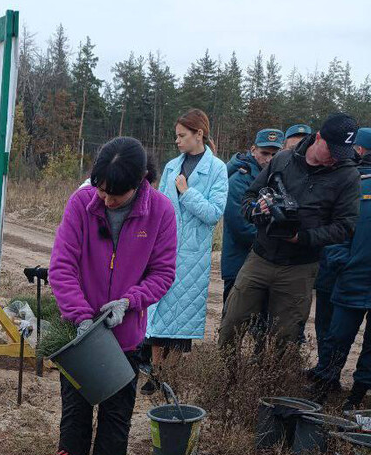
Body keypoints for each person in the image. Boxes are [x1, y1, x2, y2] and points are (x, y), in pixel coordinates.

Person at [50, 137, 177, 455]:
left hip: (125, 339)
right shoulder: (82, 203)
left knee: (115, 423)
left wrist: (130, 301)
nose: (105, 199)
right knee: (75, 419)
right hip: (80, 339)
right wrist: (80, 317)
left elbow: (162, 273)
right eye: (101, 189)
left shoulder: (161, 212)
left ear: (139, 182)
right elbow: (62, 266)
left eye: (115, 194)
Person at [219, 113, 361, 355]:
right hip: (260, 258)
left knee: (284, 339)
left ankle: (273, 389)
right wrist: (257, 210)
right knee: (231, 324)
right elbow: (249, 197)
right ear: (318, 138)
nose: (336, 158)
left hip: (300, 268)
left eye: (342, 152)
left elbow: (345, 227)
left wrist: (302, 237)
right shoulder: (283, 159)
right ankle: (225, 385)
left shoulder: (347, 176)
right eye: (333, 150)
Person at [144, 109, 228, 395]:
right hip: (164, 248)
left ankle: (170, 374)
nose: (177, 141)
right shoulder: (171, 166)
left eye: (182, 136)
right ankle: (154, 373)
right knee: (158, 308)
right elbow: (160, 207)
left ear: (198, 135)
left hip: (193, 255)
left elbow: (213, 213)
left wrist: (187, 192)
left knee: (183, 317)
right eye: (176, 136)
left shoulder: (217, 169)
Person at [307, 127, 371, 410]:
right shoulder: (351, 183)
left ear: (359, 151)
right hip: (350, 279)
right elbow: (334, 231)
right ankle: (323, 389)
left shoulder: (349, 180)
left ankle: (356, 399)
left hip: (350, 277)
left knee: (350, 341)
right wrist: (342, 261)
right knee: (337, 337)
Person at [221, 128, 285, 303]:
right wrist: (276, 241)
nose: (269, 159)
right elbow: (241, 226)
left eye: (275, 153)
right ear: (253, 150)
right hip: (240, 263)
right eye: (264, 153)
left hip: (268, 263)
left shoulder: (279, 177)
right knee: (234, 323)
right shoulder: (239, 180)